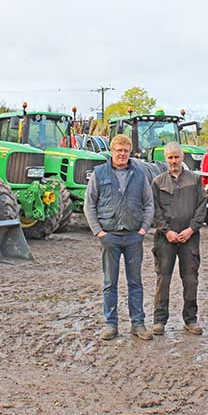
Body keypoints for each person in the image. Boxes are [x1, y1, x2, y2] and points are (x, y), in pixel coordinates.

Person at [84, 134, 155, 341]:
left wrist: (143, 229)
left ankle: (138, 324)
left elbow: (149, 203)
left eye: (125, 151)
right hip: (110, 237)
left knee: (135, 283)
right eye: (118, 151)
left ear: (130, 152)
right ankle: (110, 324)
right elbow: (90, 204)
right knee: (110, 282)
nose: (122, 154)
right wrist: (99, 232)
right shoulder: (99, 173)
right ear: (112, 152)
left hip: (133, 236)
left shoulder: (140, 174)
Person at [150, 142, 207, 335]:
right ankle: (159, 320)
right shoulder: (158, 182)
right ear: (165, 159)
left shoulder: (195, 180)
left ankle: (190, 320)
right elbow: (154, 210)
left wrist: (191, 229)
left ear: (182, 157)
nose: (173, 161)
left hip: (189, 238)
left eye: (176, 157)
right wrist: (166, 231)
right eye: (170, 157)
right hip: (165, 239)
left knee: (191, 279)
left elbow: (201, 206)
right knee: (163, 279)